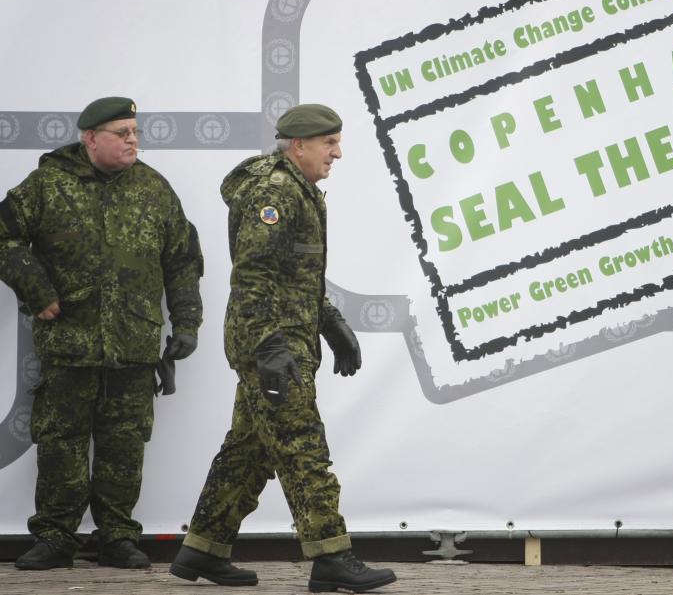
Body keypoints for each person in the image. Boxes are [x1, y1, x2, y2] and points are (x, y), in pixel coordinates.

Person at [170, 103, 395, 593]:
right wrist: (270, 346)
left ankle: (201, 549)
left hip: (285, 336)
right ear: (299, 145)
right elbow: (253, 274)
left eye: (337, 141)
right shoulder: (274, 194)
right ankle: (332, 555)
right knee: (301, 445)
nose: (338, 152)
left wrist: (331, 324)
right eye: (329, 143)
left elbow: (297, 276)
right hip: (269, 341)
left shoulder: (301, 190)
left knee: (249, 450)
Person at [0, 96, 204, 570]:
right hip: (69, 345)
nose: (133, 140)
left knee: (124, 444)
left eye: (135, 131)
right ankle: (55, 538)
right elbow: (3, 234)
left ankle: (116, 536)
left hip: (133, 345)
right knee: (61, 442)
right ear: (91, 138)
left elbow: (181, 260)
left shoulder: (154, 189)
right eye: (122, 133)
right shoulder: (48, 186)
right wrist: (36, 288)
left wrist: (188, 321)